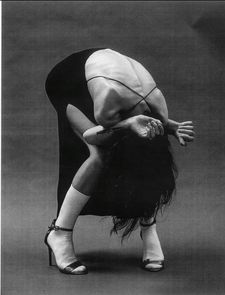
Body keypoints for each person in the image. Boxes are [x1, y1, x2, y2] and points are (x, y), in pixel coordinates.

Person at [44, 48, 195, 275]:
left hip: (112, 77)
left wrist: (170, 127)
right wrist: (125, 125)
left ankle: (148, 229)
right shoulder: (109, 99)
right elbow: (90, 136)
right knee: (100, 154)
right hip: (68, 79)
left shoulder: (158, 106)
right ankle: (59, 233)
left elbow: (156, 127)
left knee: (149, 156)